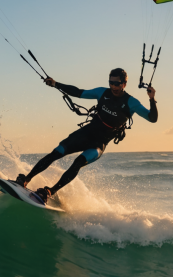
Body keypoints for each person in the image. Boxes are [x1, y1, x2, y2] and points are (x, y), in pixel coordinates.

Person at [16, 67, 158, 201]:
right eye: (111, 83)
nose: (113, 86)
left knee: (78, 162)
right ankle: (26, 179)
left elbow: (152, 118)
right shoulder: (102, 92)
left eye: (117, 83)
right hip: (85, 133)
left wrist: (152, 99)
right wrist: (55, 84)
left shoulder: (131, 102)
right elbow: (78, 92)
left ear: (124, 84)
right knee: (57, 152)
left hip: (98, 144)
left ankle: (49, 192)